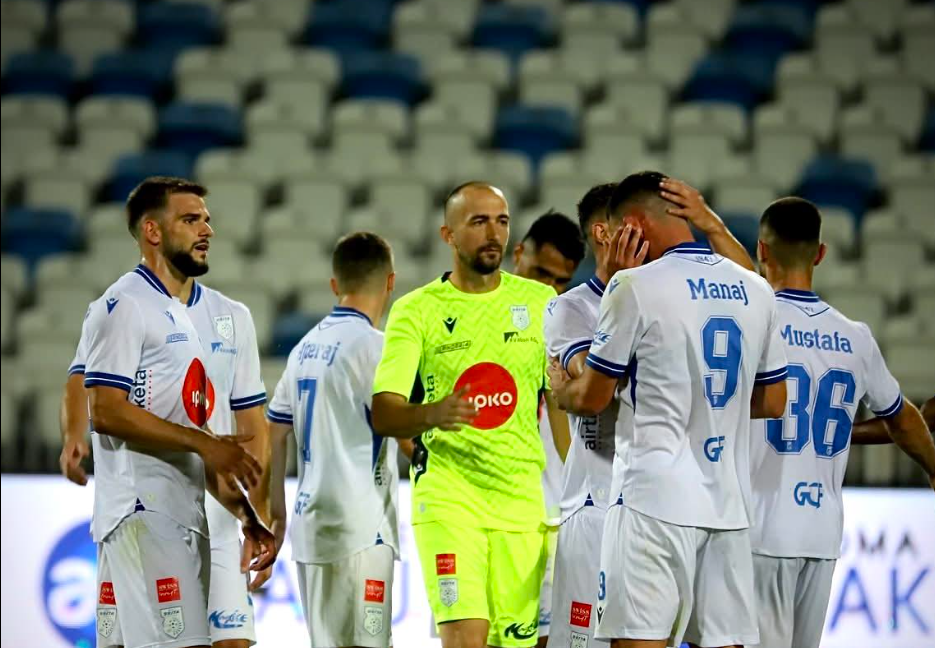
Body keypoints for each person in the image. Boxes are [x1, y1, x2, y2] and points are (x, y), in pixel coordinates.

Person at [548, 171, 788, 648]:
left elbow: (593, 397)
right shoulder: (756, 288)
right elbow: (773, 401)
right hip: (727, 506)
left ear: (633, 225)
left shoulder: (633, 286)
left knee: (638, 640)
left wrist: (562, 392)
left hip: (651, 502)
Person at [61, 177, 278, 648]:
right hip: (142, 510)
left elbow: (200, 433)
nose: (207, 230)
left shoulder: (181, 313)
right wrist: (74, 435)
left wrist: (248, 515)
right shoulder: (124, 304)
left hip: (185, 509)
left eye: (207, 220)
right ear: (153, 231)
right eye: (191, 219)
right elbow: (107, 410)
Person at [371, 181, 559, 648]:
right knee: (466, 637)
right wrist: (433, 413)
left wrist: (575, 483)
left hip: (521, 503)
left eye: (502, 221)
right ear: (448, 235)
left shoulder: (540, 303)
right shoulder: (416, 311)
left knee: (513, 644)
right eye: (478, 222)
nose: (493, 234)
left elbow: (557, 400)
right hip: (449, 498)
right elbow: (385, 413)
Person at [747, 197, 935, 648]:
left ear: (761, 250)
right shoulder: (855, 337)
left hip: (760, 529)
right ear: (820, 254)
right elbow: (902, 419)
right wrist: (933, 465)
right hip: (822, 533)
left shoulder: (752, 324)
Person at [265, 232, 399, 648]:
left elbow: (275, 432)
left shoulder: (303, 348)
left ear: (335, 284)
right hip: (362, 528)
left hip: (310, 527)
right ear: (390, 282)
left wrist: (277, 516)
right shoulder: (377, 348)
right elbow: (405, 430)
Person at [510, 210, 584, 646]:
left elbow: (564, 428)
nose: (548, 290)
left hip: (551, 515)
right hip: (485, 513)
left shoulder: (568, 331)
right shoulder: (469, 320)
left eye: (560, 281)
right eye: (541, 273)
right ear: (518, 254)